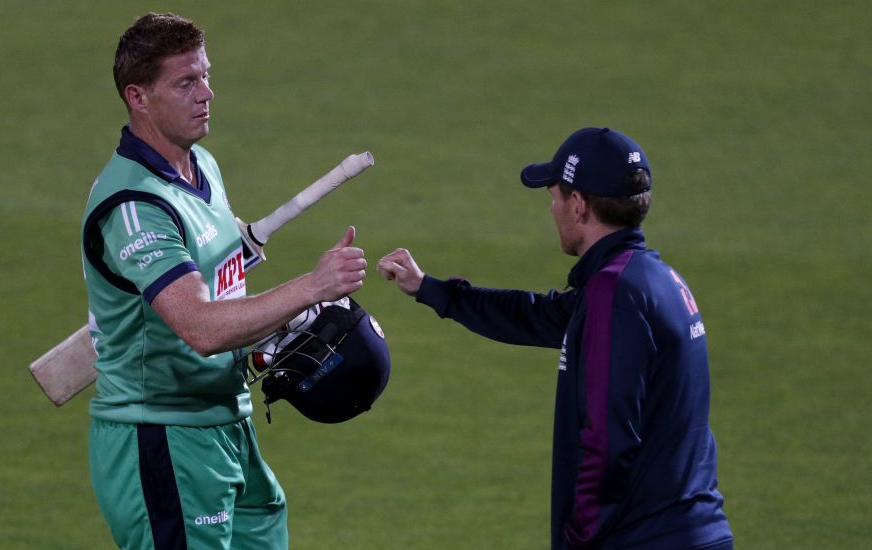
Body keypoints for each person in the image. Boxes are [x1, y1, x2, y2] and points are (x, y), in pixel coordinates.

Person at [81, 12, 366, 549]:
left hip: (226, 425)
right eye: (185, 82)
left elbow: (220, 294)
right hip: (163, 436)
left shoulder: (202, 165)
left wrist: (277, 329)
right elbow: (201, 328)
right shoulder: (134, 206)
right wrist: (311, 288)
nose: (206, 93)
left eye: (206, 76)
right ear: (137, 97)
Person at [378, 127, 733, 549]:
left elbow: (607, 438)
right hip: (691, 529)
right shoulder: (655, 280)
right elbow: (538, 316)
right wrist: (431, 289)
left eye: (555, 196)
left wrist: (577, 539)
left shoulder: (615, 294)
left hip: (642, 538)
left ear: (579, 204)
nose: (552, 209)